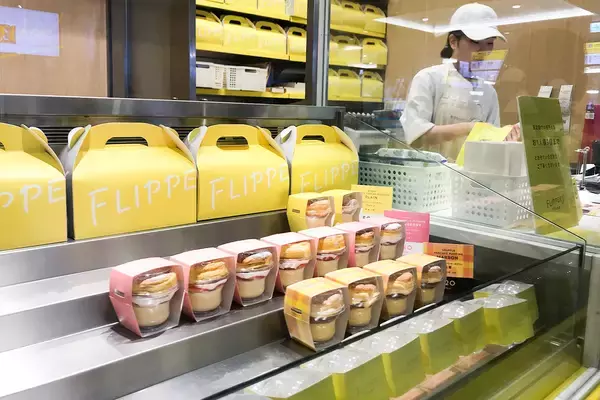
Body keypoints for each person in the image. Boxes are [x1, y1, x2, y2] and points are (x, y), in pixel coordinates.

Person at [400, 2, 520, 162]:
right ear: (453, 41)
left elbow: (491, 147)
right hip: (430, 173)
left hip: (471, 175)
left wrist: (507, 138)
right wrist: (470, 128)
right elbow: (416, 136)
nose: (484, 51)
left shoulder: (488, 92)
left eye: (489, 43)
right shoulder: (428, 78)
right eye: (475, 42)